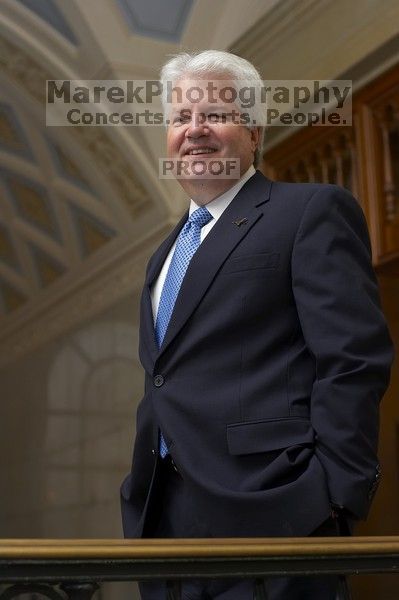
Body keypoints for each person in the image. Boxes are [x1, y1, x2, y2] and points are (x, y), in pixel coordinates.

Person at [120, 50, 394, 599]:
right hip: (165, 524)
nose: (194, 131)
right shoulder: (163, 257)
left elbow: (354, 359)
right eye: (180, 119)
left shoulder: (310, 211)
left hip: (276, 511)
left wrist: (333, 494)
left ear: (253, 132)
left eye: (214, 114)